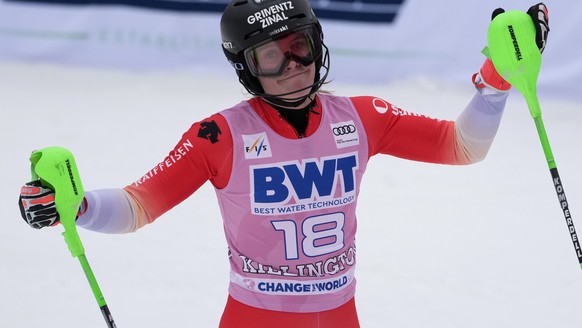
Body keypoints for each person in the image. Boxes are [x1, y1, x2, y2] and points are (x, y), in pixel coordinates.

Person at [19, 1, 550, 327]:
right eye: (271, 57)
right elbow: (136, 207)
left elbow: (462, 146)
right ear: (247, 69)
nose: (293, 67)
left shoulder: (362, 117)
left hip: (340, 317)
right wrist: (78, 206)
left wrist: (496, 81)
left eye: (300, 47)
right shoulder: (220, 134)